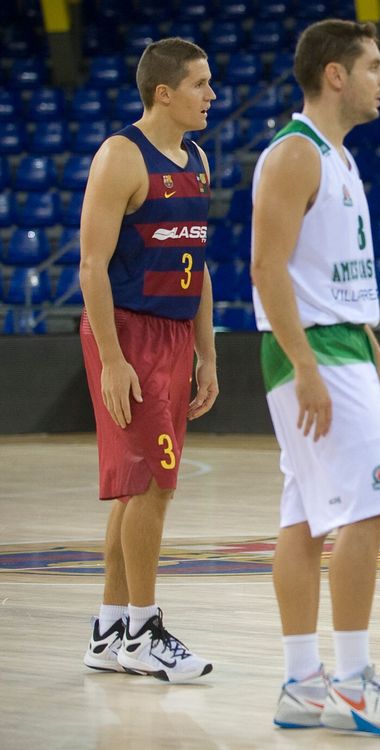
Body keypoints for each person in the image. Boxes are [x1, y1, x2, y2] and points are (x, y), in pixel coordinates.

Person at [249, 20, 380, 735]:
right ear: (336, 75)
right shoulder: (295, 154)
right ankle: (355, 681)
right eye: (373, 66)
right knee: (370, 508)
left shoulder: (338, 156)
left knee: (303, 521)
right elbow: (267, 270)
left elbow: (337, 282)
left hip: (342, 347)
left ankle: (303, 685)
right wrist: (305, 366)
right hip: (312, 353)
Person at [78, 37, 219, 682]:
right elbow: (91, 267)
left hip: (174, 335)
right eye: (200, 84)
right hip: (128, 335)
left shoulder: (196, 157)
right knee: (157, 487)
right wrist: (112, 359)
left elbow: (198, 261)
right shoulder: (120, 157)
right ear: (164, 92)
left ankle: (109, 632)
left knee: (138, 489)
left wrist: (207, 352)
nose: (211, 95)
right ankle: (143, 632)